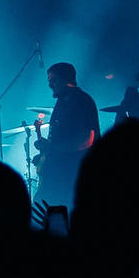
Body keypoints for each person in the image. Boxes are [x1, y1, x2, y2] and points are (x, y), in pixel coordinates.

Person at [38, 62, 98, 206]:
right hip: (60, 173)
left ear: (66, 79)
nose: (50, 85)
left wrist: (53, 148)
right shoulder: (62, 102)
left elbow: (87, 140)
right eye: (49, 81)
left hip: (74, 174)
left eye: (53, 80)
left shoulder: (82, 101)